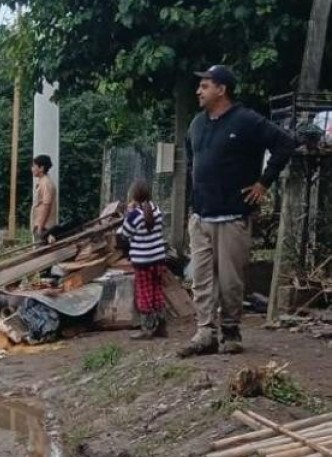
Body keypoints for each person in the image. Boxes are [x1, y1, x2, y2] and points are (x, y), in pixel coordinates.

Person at [179, 65, 297, 357]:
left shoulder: (246, 121)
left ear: (222, 89)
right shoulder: (196, 123)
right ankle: (205, 332)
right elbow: (193, 159)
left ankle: (230, 332)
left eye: (205, 86)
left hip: (232, 215)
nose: (199, 91)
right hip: (201, 214)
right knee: (202, 279)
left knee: (230, 281)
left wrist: (263, 183)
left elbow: (285, 144)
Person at [119, 179, 168, 340]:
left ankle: (147, 327)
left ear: (133, 195)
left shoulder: (134, 215)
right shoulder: (157, 210)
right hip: (159, 259)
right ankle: (161, 325)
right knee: (157, 290)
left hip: (143, 260)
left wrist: (128, 213)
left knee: (144, 293)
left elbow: (124, 234)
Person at [30, 154, 58, 242]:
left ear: (41, 168)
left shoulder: (46, 183)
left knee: (41, 252)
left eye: (34, 166)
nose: (32, 169)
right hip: (40, 225)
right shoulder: (42, 181)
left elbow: (46, 205)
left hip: (44, 227)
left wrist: (40, 227)